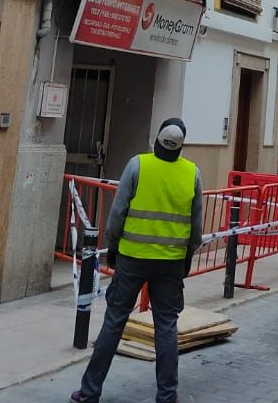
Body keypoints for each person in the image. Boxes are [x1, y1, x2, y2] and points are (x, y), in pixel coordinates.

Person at [72, 119, 203, 403]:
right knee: (166, 326)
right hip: (170, 263)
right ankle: (167, 396)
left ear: (156, 140)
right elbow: (196, 228)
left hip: (132, 258)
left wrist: (114, 248)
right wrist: (187, 259)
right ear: (180, 147)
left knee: (114, 322)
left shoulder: (137, 165)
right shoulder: (192, 174)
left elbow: (117, 214)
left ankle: (90, 392)